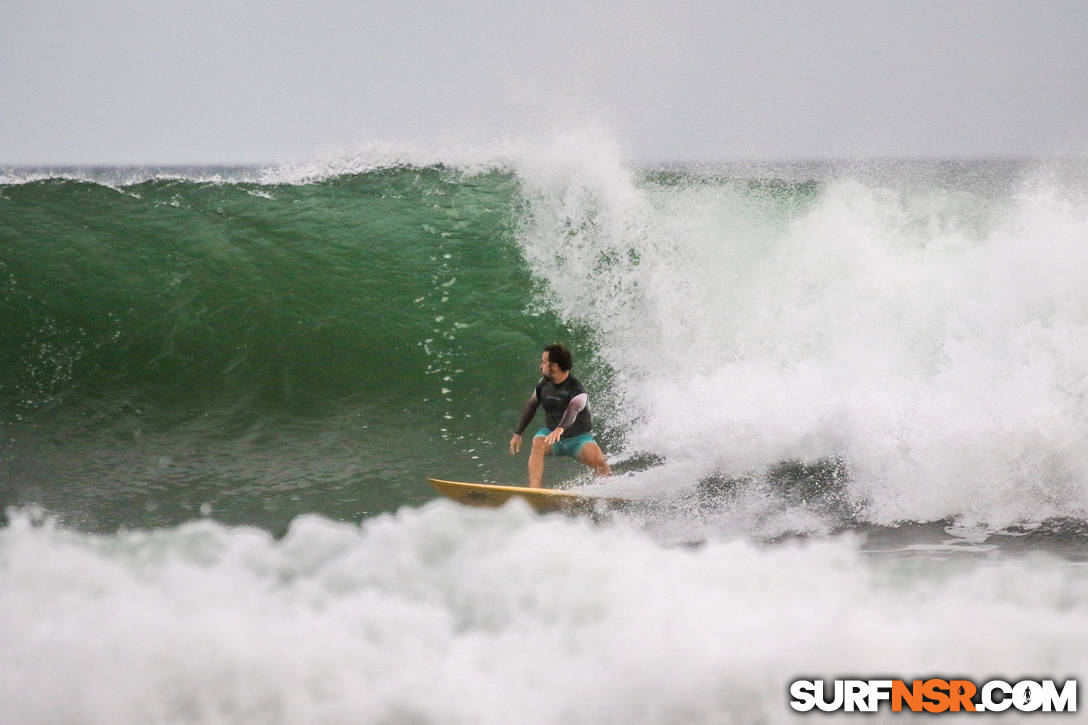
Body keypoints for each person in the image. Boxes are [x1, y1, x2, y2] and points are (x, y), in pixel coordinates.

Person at [508, 343, 612, 488]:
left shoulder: (578, 390)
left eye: (544, 362)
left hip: (578, 440)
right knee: (538, 442)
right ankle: (534, 490)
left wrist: (560, 428)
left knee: (600, 463)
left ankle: (610, 493)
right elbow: (531, 406)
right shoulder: (543, 384)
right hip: (551, 436)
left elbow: (572, 411)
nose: (541, 366)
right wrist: (518, 433)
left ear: (555, 366)